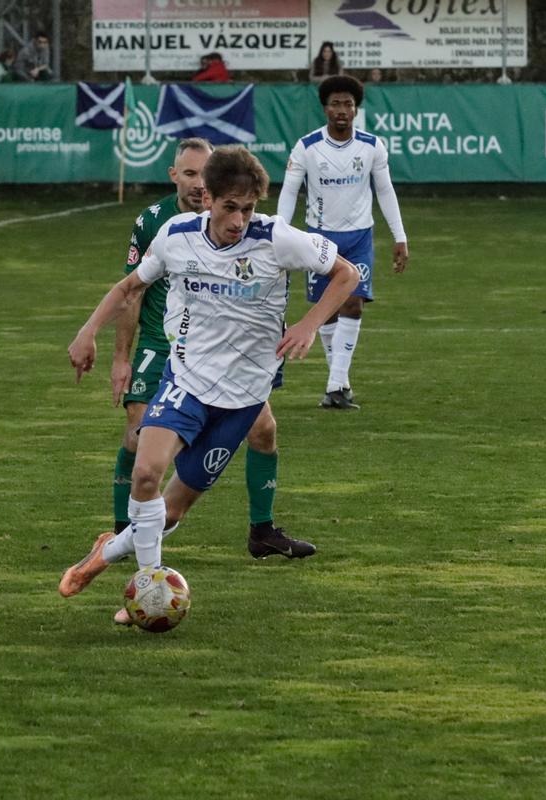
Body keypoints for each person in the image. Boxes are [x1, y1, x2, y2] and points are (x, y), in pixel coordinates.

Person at [60, 146, 360, 622]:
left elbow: (347, 273)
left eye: (248, 208)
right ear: (208, 199)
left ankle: (105, 554)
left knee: (172, 513)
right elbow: (128, 287)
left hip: (242, 399)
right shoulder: (177, 236)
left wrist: (308, 324)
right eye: (230, 207)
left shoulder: (278, 239)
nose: (240, 219)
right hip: (186, 381)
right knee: (145, 474)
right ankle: (150, 589)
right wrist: (87, 332)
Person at [109, 136, 317, 571]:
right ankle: (122, 532)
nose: (197, 186)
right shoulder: (158, 223)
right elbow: (130, 290)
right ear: (180, 178)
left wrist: (301, 323)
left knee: (263, 429)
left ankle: (261, 529)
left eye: (201, 176)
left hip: (237, 357)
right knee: (138, 434)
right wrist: (120, 356)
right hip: (165, 344)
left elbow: (336, 273)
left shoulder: (259, 233)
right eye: (188, 175)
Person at [277, 76, 408, 409]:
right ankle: (339, 385)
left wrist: (400, 236)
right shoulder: (307, 147)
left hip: (359, 237)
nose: (342, 110)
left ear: (356, 109)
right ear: (325, 108)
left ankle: (336, 384)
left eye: (348, 104)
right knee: (328, 311)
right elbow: (290, 190)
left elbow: (385, 190)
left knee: (353, 302)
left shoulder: (372, 146)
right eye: (335, 103)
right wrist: (280, 231)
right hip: (318, 238)